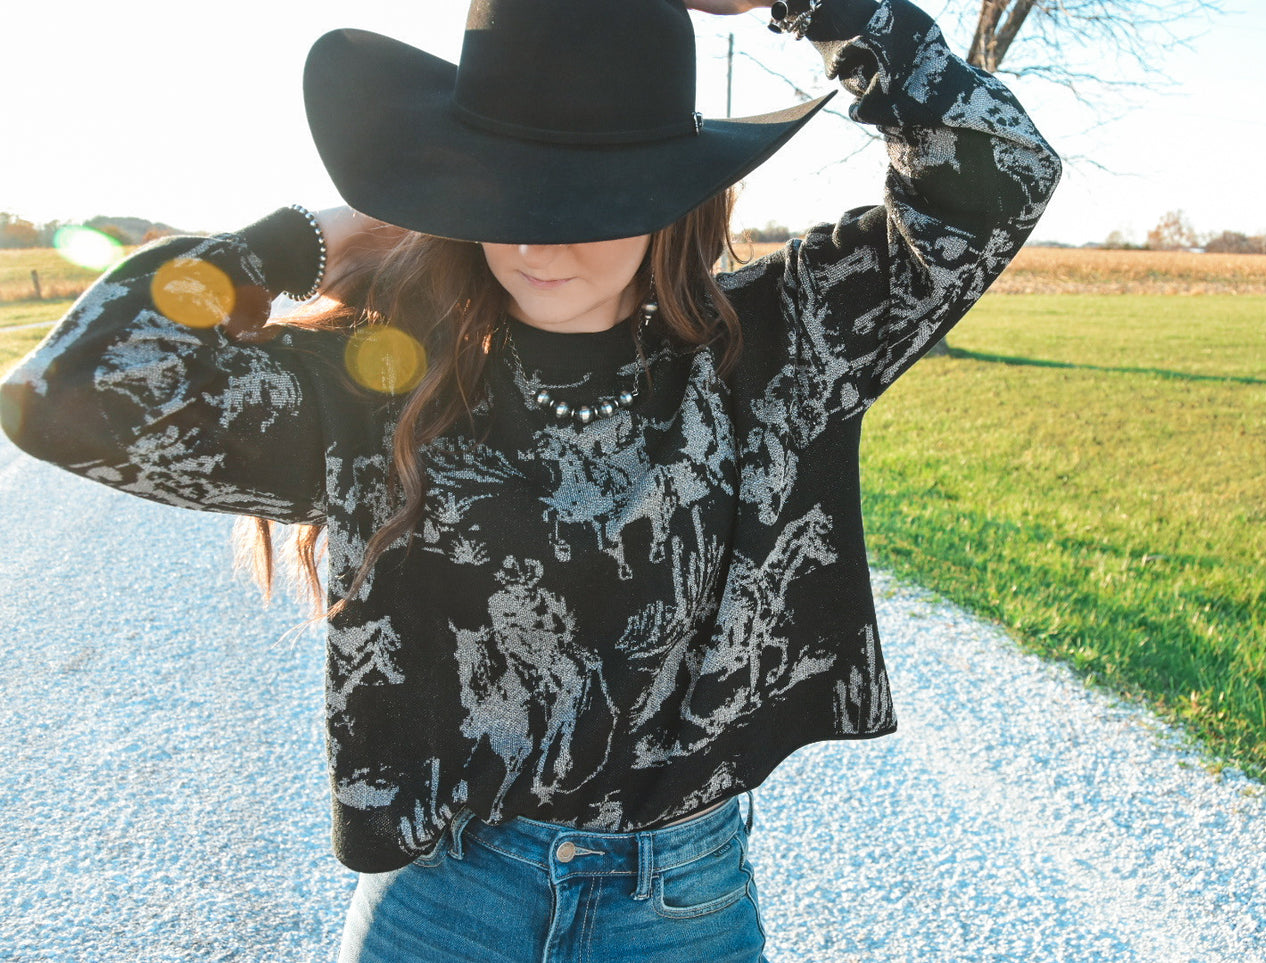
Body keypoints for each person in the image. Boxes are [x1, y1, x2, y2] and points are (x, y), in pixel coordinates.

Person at [1, 0, 1059, 958]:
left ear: (669, 193)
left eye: (584, 192)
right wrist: (307, 241)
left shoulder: (780, 348)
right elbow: (70, 392)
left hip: (681, 910)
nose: (533, 233)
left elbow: (996, 173)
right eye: (501, 183)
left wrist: (819, 5)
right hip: (445, 902)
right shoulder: (381, 387)